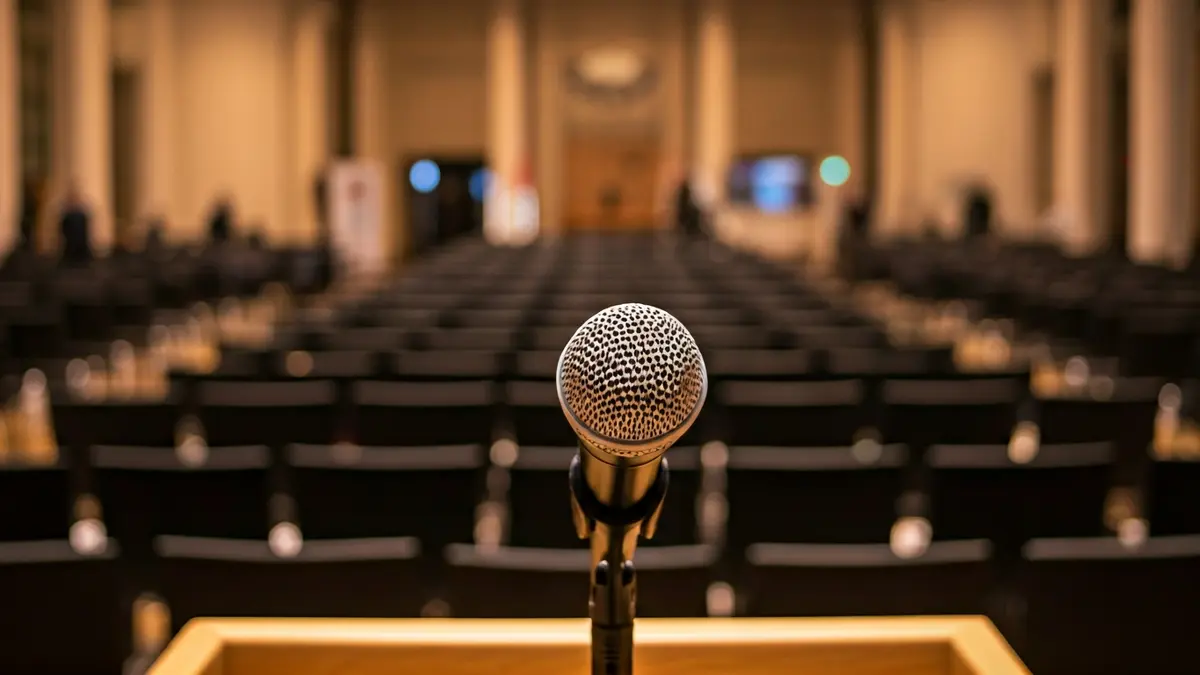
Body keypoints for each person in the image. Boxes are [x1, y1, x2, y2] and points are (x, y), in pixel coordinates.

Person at [59, 185, 93, 264]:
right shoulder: (67, 215)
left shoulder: (82, 215)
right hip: (70, 249)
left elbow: (86, 232)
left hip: (80, 249)